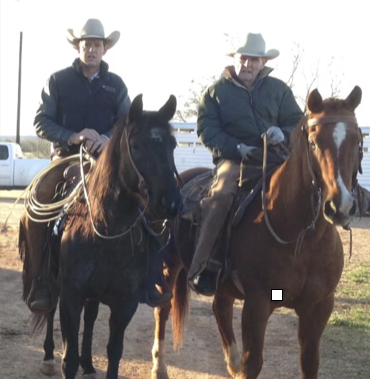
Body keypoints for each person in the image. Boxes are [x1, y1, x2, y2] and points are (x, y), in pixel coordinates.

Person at [25, 18, 171, 313]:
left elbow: (126, 121)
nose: (91, 50)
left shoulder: (115, 85)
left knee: (144, 202)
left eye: (96, 45)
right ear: (78, 48)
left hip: (107, 159)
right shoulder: (58, 81)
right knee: (40, 199)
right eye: (86, 44)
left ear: (105, 49)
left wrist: (106, 139)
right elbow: (41, 121)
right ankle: (41, 278)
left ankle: (149, 276)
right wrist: (74, 135)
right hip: (66, 157)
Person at [188, 32, 304, 295]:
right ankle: (204, 267)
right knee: (221, 197)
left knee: (306, 187)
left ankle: (308, 267)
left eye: (254, 59)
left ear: (263, 63)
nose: (247, 64)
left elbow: (297, 122)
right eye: (243, 58)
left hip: (276, 158)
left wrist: (282, 133)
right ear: (236, 59)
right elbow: (207, 129)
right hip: (235, 160)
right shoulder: (215, 92)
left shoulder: (279, 90)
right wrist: (237, 148)